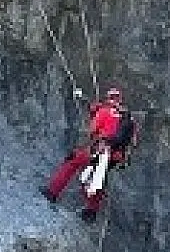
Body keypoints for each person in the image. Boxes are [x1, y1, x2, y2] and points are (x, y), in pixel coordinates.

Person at [42, 87, 139, 221]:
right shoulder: (129, 118)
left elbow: (93, 130)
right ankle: (91, 211)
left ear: (108, 98)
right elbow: (133, 142)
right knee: (98, 176)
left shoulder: (104, 111)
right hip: (116, 156)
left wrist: (94, 115)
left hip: (101, 149)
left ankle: (52, 192)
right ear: (120, 100)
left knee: (74, 161)